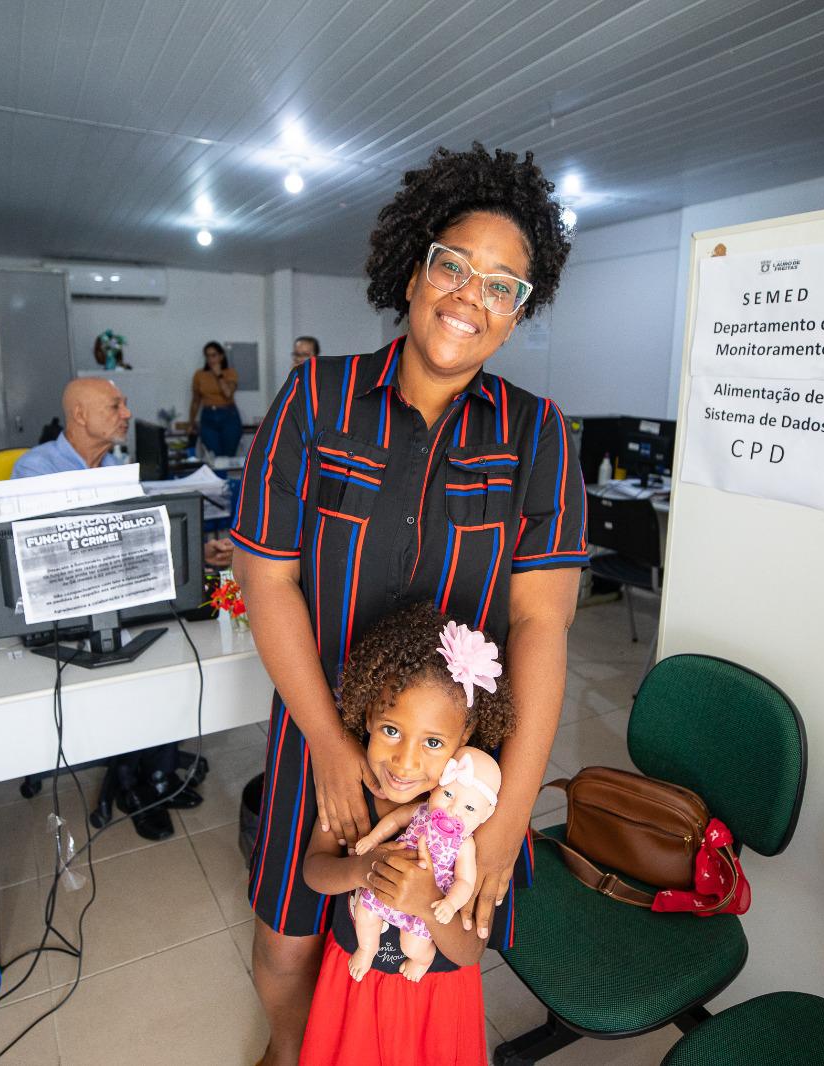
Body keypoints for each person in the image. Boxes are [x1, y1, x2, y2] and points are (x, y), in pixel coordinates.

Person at [231, 143, 584, 1065]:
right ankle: (290, 1052)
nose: (472, 295)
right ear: (414, 266)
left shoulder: (537, 434)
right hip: (318, 733)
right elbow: (265, 577)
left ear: (518, 315)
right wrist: (329, 746)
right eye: (455, 264)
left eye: (504, 285)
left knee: (416, 954)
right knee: (287, 942)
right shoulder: (318, 398)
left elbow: (543, 624)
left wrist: (507, 821)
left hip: (454, 765)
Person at [297, 605, 516, 1065]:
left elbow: (470, 949)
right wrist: (361, 868)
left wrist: (425, 904)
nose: (406, 762)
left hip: (433, 997)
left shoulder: (470, 827)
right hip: (354, 982)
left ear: (464, 743)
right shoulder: (350, 791)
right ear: (367, 716)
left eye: (433, 743)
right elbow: (314, 872)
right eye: (391, 730)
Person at [10, 378, 203, 841]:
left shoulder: (115, 467)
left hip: (121, 602)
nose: (125, 412)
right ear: (79, 415)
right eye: (114, 405)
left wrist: (194, 552)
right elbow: (34, 560)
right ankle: (134, 785)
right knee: (125, 680)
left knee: (166, 661)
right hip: (66, 613)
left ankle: (158, 772)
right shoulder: (35, 470)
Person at [189, 340, 242, 457]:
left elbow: (228, 394)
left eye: (214, 355)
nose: (211, 359)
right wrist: (191, 423)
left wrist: (219, 375)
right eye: (207, 356)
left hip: (229, 416)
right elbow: (195, 400)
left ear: (221, 356)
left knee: (228, 458)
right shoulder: (199, 375)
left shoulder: (230, 373)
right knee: (213, 458)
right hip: (208, 417)